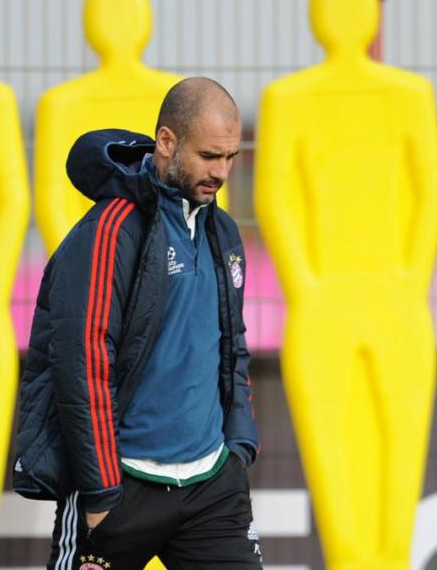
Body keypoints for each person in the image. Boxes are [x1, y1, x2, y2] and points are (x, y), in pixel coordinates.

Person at [14, 77, 262, 569]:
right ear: (166, 142)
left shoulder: (223, 231)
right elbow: (82, 363)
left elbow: (232, 347)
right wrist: (102, 491)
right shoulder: (110, 229)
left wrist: (239, 447)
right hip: (121, 489)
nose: (221, 172)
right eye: (209, 156)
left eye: (230, 157)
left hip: (212, 488)